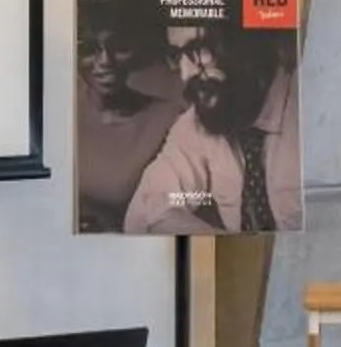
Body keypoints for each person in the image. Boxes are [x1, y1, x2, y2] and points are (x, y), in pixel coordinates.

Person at [124, 18, 300, 235]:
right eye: (177, 56)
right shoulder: (196, 124)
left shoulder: (312, 108)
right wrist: (234, 251)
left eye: (198, 50)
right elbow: (148, 209)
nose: (185, 74)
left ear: (244, 44)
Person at [73, 0, 179, 233]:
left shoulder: (170, 119)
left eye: (119, 47)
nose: (104, 62)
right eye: (88, 49)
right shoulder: (59, 108)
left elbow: (174, 206)